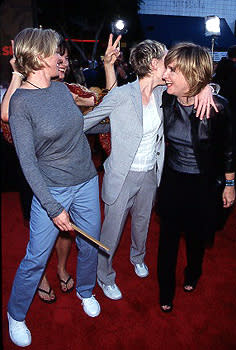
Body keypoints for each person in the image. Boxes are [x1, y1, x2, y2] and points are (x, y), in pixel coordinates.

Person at [6, 27, 119, 347]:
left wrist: (110, 122)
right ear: (40, 57)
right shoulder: (21, 103)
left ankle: (85, 291)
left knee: (89, 245)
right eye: (56, 52)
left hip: (85, 181)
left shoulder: (58, 89)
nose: (61, 57)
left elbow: (77, 126)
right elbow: (27, 163)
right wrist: (54, 209)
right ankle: (15, 314)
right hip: (51, 191)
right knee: (35, 257)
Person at [83, 39, 217, 301]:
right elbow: (87, 122)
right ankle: (104, 275)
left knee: (142, 223)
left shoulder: (163, 94)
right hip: (122, 175)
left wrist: (208, 88)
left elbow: (191, 85)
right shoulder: (122, 95)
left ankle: (137, 257)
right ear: (155, 64)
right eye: (167, 60)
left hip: (150, 174)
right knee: (112, 230)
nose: (170, 68)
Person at [157, 42, 235, 313]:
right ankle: (165, 289)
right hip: (172, 180)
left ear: (191, 74)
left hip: (203, 183)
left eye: (172, 70)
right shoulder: (165, 98)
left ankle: (193, 272)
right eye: (167, 68)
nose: (165, 74)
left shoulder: (217, 107)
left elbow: (228, 148)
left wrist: (230, 184)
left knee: (196, 236)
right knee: (167, 237)